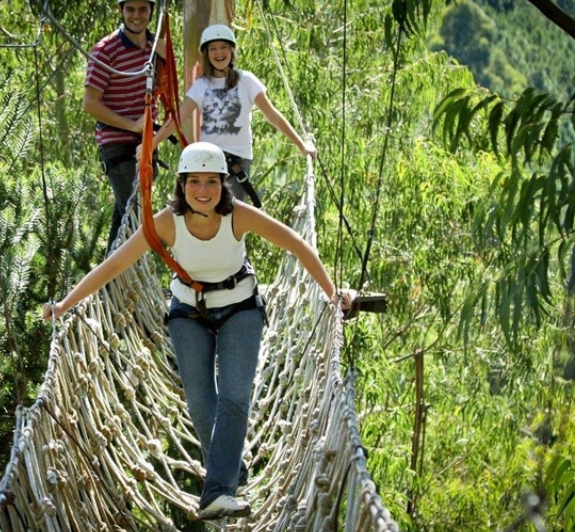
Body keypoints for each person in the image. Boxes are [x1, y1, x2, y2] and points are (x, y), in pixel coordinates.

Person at [43, 142, 352, 519]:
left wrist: (334, 293)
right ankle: (230, 472)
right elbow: (113, 266)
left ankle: (217, 491)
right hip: (188, 312)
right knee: (201, 404)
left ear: (224, 184)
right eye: (194, 182)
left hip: (240, 308)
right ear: (181, 184)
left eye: (211, 181)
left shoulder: (238, 216)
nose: (203, 191)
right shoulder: (166, 223)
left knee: (235, 397)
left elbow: (296, 244)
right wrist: (64, 305)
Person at [151, 24, 317, 206]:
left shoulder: (247, 81)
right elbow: (177, 118)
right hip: (209, 160)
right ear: (206, 54)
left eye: (224, 47)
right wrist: (150, 145)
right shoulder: (201, 85)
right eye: (213, 49)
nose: (219, 53)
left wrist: (301, 145)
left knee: (233, 218)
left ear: (231, 51)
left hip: (237, 160)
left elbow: (273, 116)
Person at [83, 0, 163, 251]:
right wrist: (132, 125)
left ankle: (112, 281)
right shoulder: (106, 50)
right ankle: (124, 279)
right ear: (121, 11)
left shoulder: (157, 46)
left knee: (125, 216)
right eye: (130, 9)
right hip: (117, 143)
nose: (136, 16)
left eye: (142, 9)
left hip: (147, 141)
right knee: (136, 212)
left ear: (151, 11)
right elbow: (90, 104)